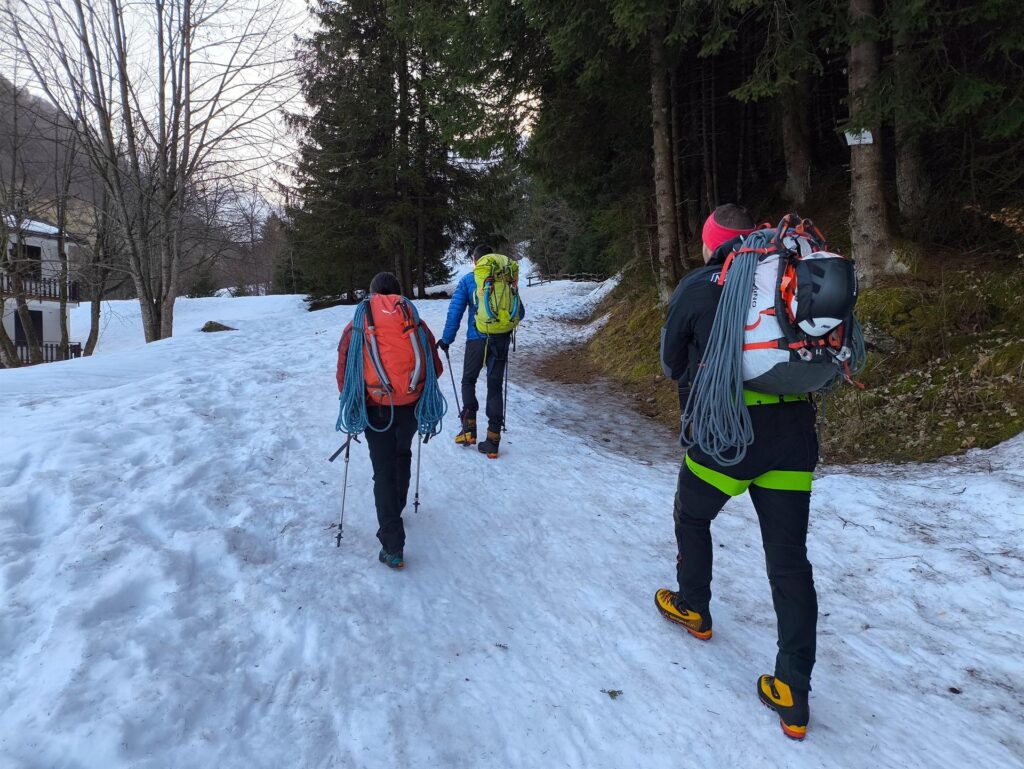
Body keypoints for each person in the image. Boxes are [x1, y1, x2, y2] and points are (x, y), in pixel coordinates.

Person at [657, 204, 821, 741]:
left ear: (714, 243)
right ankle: (793, 690)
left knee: (691, 514)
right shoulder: (787, 278)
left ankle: (694, 607)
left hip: (728, 435)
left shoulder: (701, 283)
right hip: (793, 435)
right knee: (789, 560)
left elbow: (669, 361)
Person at [335, 272, 443, 569]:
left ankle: (392, 544)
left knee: (383, 470)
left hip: (375, 407)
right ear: (399, 294)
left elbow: (345, 372)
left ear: (371, 293)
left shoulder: (357, 326)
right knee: (402, 453)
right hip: (410, 404)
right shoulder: (416, 323)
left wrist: (353, 398)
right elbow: (436, 368)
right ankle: (396, 509)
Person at [437, 244, 525, 458]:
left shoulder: (469, 280)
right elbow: (520, 313)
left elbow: (455, 312)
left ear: (476, 261)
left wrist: (446, 340)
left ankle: (469, 431)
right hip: (501, 339)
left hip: (477, 340)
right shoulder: (506, 280)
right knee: (494, 386)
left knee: (469, 380)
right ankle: (493, 441)